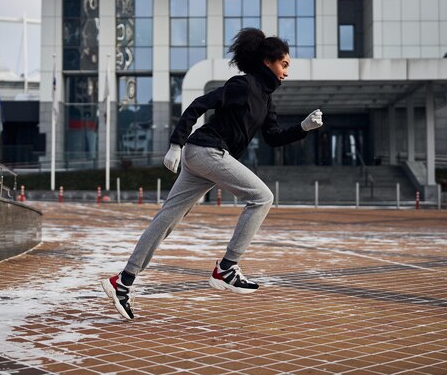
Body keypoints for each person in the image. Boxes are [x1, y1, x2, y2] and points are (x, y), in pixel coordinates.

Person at [101, 28, 323, 320]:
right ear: (268, 62)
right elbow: (198, 105)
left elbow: (273, 137)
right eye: (285, 64)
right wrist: (175, 143)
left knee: (167, 219)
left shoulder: (267, 101)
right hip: (206, 151)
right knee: (261, 197)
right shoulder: (243, 85)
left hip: (206, 157)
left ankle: (123, 281)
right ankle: (227, 268)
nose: (287, 72)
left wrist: (303, 128)